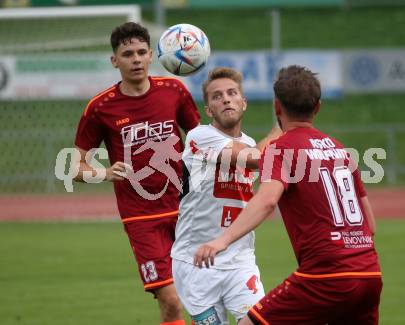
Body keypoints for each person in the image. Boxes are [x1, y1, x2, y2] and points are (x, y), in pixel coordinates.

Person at [194, 65, 382, 325]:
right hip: (370, 274)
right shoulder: (341, 150)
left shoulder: (281, 149)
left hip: (324, 276)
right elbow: (370, 225)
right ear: (317, 107)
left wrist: (221, 241)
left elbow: (267, 200)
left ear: (277, 107)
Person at [74, 22, 200, 325]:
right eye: (127, 53)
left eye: (142, 52)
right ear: (114, 60)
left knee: (200, 298)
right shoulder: (100, 107)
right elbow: (75, 168)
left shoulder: (174, 91)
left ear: (151, 56)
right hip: (141, 218)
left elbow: (200, 141)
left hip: (187, 210)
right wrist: (104, 173)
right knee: (171, 301)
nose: (136, 59)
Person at [171, 67, 281, 325]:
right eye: (217, 96)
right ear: (208, 110)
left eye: (232, 93)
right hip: (195, 262)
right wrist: (281, 126)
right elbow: (253, 158)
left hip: (239, 260)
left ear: (244, 103)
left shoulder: (251, 141)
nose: (226, 99)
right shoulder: (200, 136)